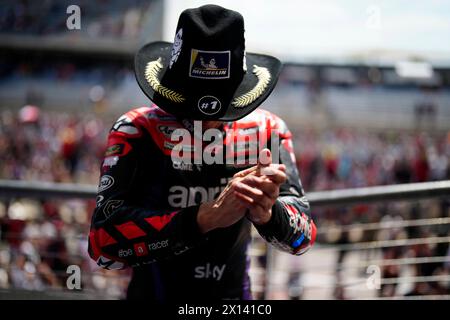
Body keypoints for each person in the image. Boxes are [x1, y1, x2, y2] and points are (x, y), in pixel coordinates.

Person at [88, 4, 316, 301]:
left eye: (223, 106)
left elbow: (304, 237)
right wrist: (204, 218)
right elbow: (102, 245)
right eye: (190, 104)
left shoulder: (267, 129)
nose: (205, 119)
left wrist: (270, 216)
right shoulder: (137, 128)